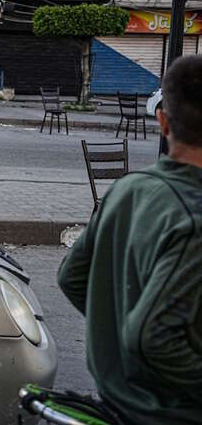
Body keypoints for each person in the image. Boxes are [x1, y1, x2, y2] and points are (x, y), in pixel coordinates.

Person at [58, 54, 202, 425]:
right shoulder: (193, 217)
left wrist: (115, 333)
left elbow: (71, 277)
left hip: (113, 398)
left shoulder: (128, 189)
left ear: (163, 122)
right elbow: (152, 336)